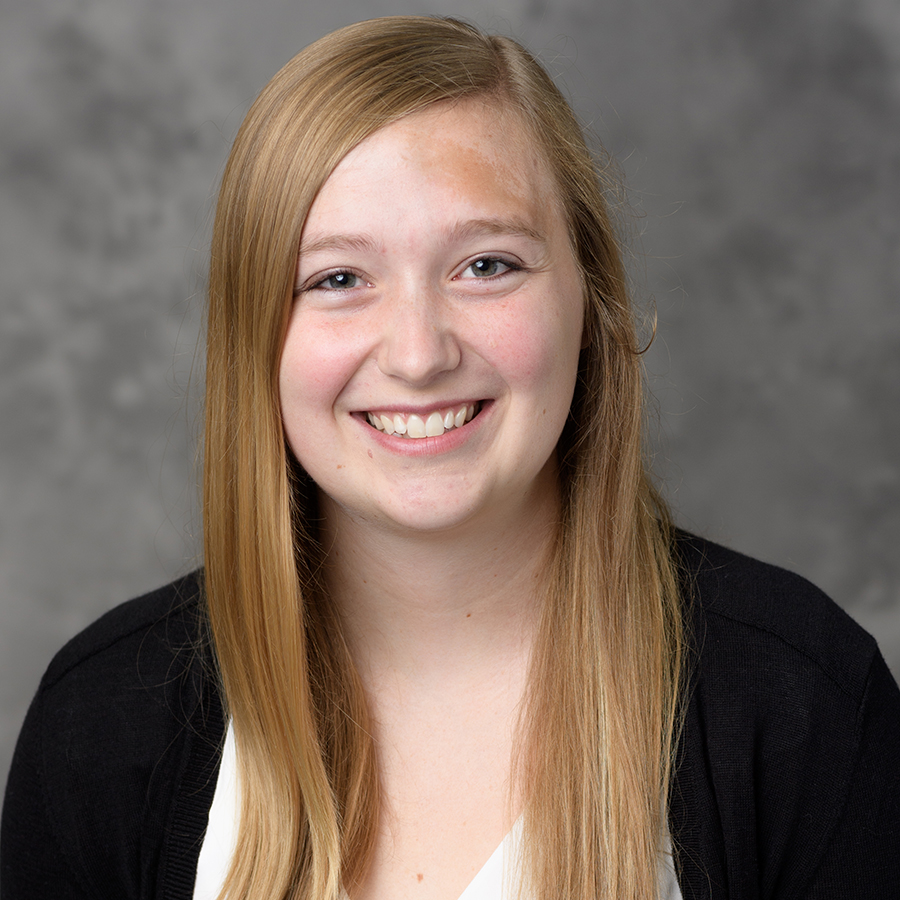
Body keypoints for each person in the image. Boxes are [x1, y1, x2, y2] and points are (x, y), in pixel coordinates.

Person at [2, 15, 899, 900]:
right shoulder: (101, 723)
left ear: (590, 301)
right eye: (338, 279)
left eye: (486, 265)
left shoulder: (803, 703)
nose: (419, 354)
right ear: (254, 338)